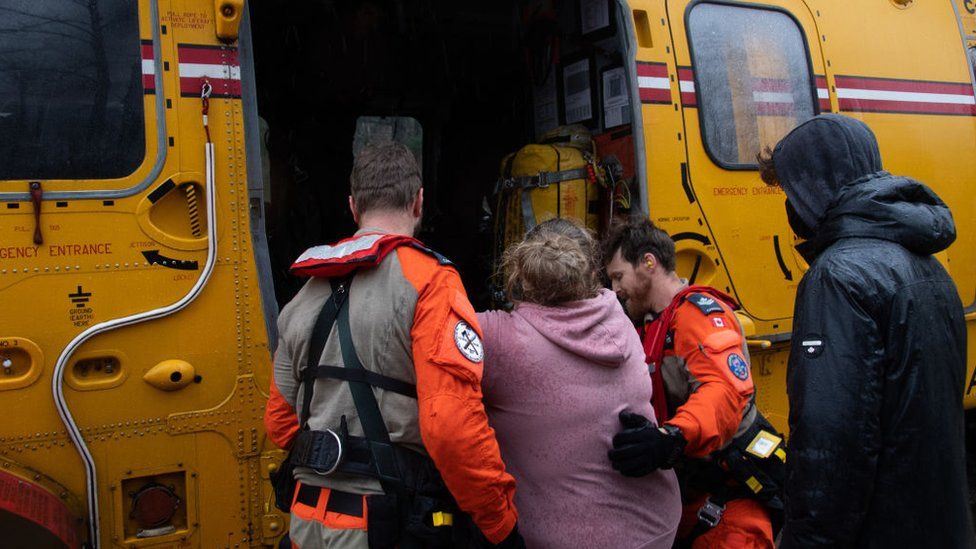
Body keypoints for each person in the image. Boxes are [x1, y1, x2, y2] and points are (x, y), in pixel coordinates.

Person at [263, 142, 523, 548]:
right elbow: (452, 429)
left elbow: (280, 425)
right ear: (419, 202)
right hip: (389, 526)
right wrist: (500, 525)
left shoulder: (302, 299)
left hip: (307, 524)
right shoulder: (433, 284)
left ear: (353, 207)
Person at [757, 114, 976, 548]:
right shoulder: (929, 265)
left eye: (789, 191)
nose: (789, 208)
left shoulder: (837, 276)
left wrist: (806, 540)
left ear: (816, 187)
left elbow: (831, 445)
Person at [477, 218, 682, 548]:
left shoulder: (498, 338)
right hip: (656, 528)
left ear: (522, 275)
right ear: (591, 274)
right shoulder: (618, 318)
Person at [602, 219, 783, 548]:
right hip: (690, 498)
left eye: (618, 277)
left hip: (731, 505)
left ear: (648, 263)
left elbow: (723, 391)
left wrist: (670, 437)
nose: (616, 290)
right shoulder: (651, 325)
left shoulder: (698, 316)